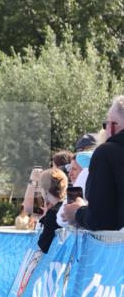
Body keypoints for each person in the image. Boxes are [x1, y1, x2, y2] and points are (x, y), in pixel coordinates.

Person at [62, 96, 124, 231]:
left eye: (105, 124)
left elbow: (100, 220)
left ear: (112, 127)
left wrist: (77, 212)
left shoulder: (106, 153)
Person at [37, 168, 68, 253]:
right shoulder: (68, 206)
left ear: (45, 189)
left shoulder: (53, 214)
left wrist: (44, 218)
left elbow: (44, 245)